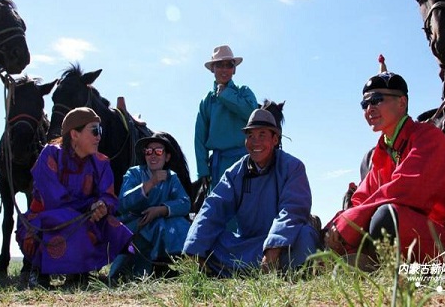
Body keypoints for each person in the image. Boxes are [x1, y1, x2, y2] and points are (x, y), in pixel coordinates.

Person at [324, 57, 445, 269]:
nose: (369, 108)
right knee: (348, 223)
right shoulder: (383, 151)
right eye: (364, 103)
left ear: (402, 102)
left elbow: (406, 188)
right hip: (422, 231)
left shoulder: (427, 137)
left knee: (385, 218)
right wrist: (335, 225)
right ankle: (367, 261)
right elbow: (362, 198)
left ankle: (377, 263)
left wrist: (349, 222)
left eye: (377, 99)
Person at [183, 109, 321, 277]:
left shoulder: (293, 167)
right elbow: (213, 207)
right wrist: (194, 249)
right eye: (250, 136)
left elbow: (293, 209)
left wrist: (273, 249)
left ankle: (278, 270)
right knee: (210, 242)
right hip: (250, 245)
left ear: (275, 139)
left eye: (262, 135)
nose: (255, 142)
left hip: (281, 243)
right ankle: (260, 270)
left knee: (303, 235)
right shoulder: (235, 172)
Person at [16, 107, 134, 287]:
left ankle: (80, 271)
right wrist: (90, 208)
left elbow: (109, 196)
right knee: (67, 219)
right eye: (94, 131)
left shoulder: (101, 163)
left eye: (100, 131)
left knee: (113, 226)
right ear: (74, 134)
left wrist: (102, 205)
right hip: (48, 220)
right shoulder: (50, 154)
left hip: (85, 217)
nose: (99, 137)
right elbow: (54, 199)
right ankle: (40, 269)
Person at [110, 132, 191, 279]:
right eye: (149, 151)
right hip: (135, 225)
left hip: (159, 223)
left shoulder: (171, 177)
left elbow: (185, 203)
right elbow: (122, 203)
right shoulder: (133, 173)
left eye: (158, 151)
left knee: (180, 224)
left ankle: (163, 262)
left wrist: (161, 210)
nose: (153, 155)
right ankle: (136, 269)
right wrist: (150, 183)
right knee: (127, 269)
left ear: (167, 157)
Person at [195, 45, 258, 190]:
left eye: (228, 65)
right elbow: (199, 138)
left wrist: (224, 94)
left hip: (246, 161)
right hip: (218, 166)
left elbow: (252, 114)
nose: (224, 69)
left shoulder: (244, 92)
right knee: (219, 209)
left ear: (234, 69)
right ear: (213, 69)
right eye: (219, 65)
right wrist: (203, 171)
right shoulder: (206, 101)